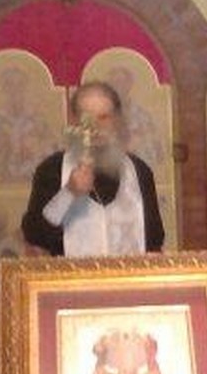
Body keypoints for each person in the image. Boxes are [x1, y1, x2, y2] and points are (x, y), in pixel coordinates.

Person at [21, 81, 166, 257]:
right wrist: (69, 193)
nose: (95, 127)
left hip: (128, 274)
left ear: (117, 121)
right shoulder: (51, 170)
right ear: (74, 121)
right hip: (70, 274)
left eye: (104, 117)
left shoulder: (140, 172)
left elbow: (154, 240)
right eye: (86, 118)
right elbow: (35, 236)